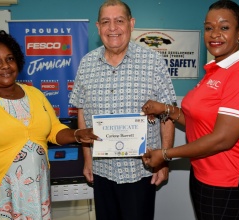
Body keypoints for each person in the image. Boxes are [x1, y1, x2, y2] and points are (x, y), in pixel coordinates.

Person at [0, 30, 100, 220]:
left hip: (36, 194)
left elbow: (53, 130)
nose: (5, 66)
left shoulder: (35, 95)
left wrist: (77, 134)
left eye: (10, 59)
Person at [141, 1, 239, 219]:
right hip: (203, 173)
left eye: (224, 27)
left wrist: (165, 154)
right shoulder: (216, 70)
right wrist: (166, 109)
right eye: (209, 28)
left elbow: (222, 139)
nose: (215, 34)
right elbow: (199, 122)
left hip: (229, 181)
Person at [69, 1, 177, 219]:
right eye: (106, 22)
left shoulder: (153, 61)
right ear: (98, 27)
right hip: (102, 170)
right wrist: (87, 160)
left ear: (131, 23)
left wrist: (164, 160)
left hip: (141, 171)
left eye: (119, 21)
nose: (113, 28)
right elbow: (82, 112)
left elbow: (168, 113)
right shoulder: (86, 63)